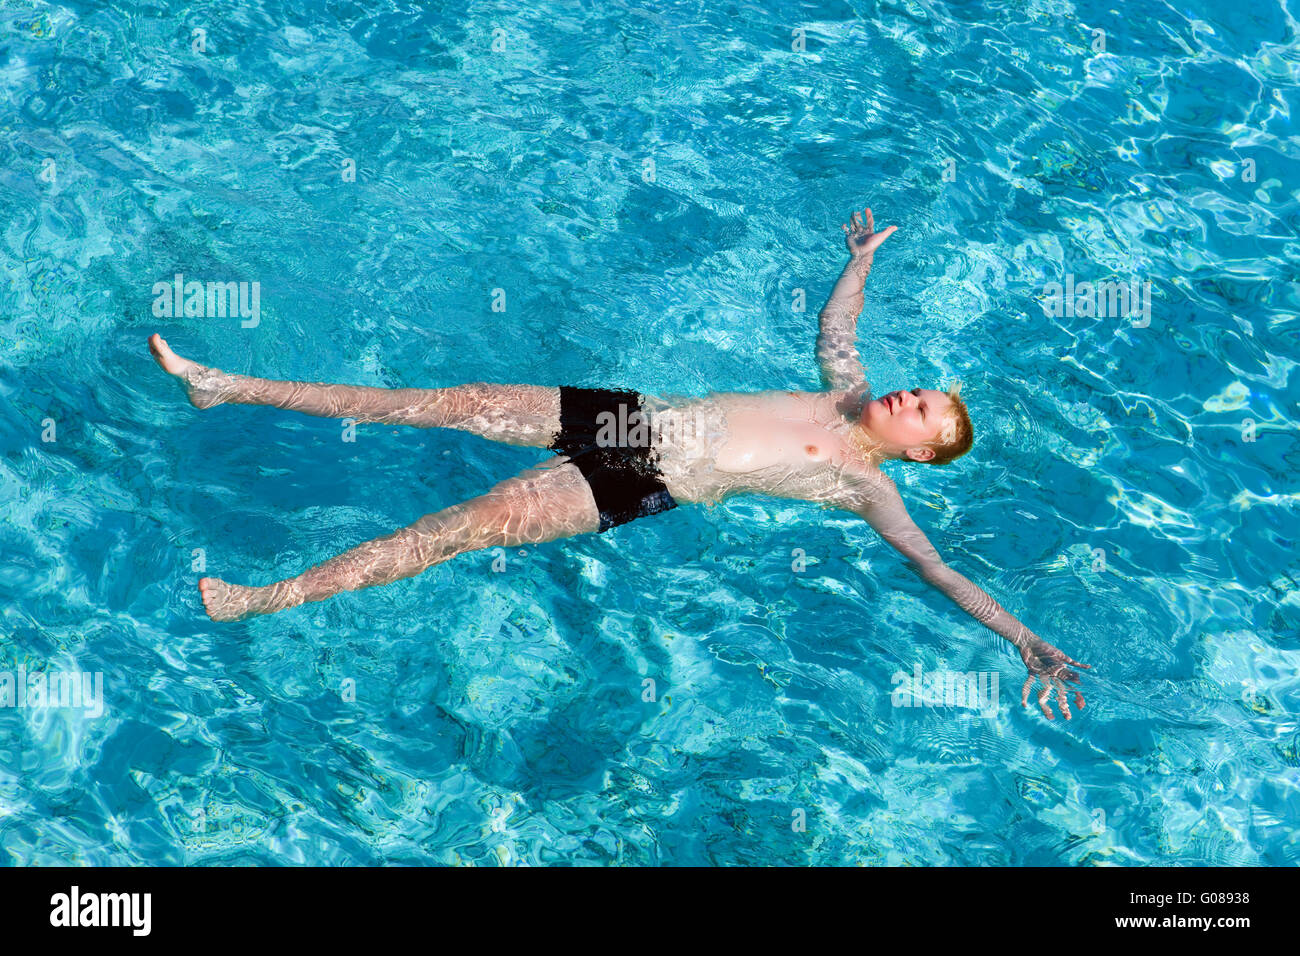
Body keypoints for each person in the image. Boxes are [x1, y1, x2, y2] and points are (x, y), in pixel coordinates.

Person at [149, 208, 1088, 719]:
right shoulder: (846, 387)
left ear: (918, 450)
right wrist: (861, 261)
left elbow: (934, 567)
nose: (906, 396)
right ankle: (224, 385)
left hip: (637, 481)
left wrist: (1022, 640)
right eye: (917, 388)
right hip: (629, 415)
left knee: (445, 534)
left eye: (919, 410)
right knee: (427, 402)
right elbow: (837, 324)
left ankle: (260, 599)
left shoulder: (862, 483)